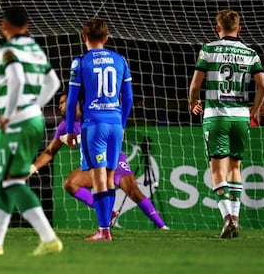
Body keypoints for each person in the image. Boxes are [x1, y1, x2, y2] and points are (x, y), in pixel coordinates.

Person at [0, 6, 63, 256]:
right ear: (27, 26)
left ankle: (49, 237)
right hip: (32, 119)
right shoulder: (35, 49)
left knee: (12, 180)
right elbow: (54, 83)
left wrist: (11, 113)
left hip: (17, 123)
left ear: (3, 25)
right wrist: (35, 105)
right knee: (1, 179)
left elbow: (16, 78)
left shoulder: (8, 49)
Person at [29, 93, 168, 229]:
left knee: (134, 192)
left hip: (113, 162)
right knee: (71, 183)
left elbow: (114, 134)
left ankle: (162, 227)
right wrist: (32, 169)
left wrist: (78, 139)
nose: (59, 106)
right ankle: (108, 211)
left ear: (75, 103)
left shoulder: (92, 115)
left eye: (62, 102)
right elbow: (49, 152)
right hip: (95, 166)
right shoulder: (65, 126)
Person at [188, 8, 264, 239]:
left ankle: (226, 218)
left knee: (217, 171)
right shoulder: (250, 52)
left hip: (216, 115)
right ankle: (236, 218)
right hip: (241, 117)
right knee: (235, 168)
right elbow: (263, 86)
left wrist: (193, 102)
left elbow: (195, 85)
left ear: (218, 28)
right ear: (239, 28)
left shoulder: (209, 50)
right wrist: (254, 109)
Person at [64, 18, 134, 241]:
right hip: (115, 123)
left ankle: (104, 231)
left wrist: (70, 130)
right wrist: (121, 125)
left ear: (84, 37)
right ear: (106, 38)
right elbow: (129, 99)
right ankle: (105, 228)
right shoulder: (120, 60)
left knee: (99, 178)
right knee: (110, 176)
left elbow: (72, 101)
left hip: (93, 124)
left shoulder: (80, 62)